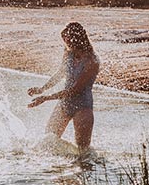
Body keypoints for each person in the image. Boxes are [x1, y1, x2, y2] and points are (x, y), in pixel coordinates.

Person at [27, 22, 100, 150]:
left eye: (67, 40)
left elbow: (74, 90)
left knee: (83, 151)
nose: (66, 44)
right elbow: (60, 73)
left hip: (83, 107)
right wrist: (42, 89)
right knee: (48, 140)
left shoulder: (92, 61)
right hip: (65, 104)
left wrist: (45, 98)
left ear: (76, 40)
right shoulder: (68, 53)